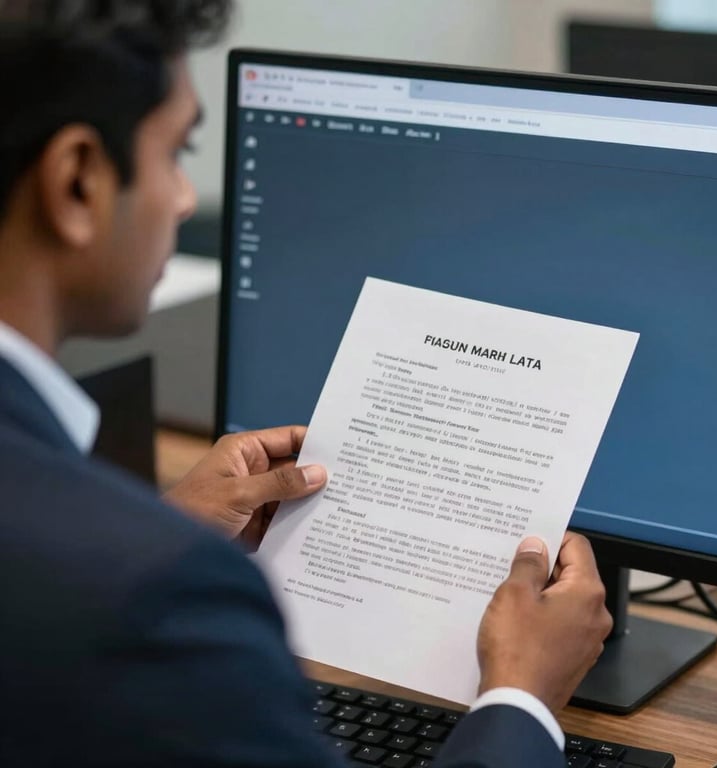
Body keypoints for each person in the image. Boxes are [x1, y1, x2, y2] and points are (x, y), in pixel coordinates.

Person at [0, 2, 612, 766]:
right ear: (78, 180)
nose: (186, 200)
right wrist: (522, 698)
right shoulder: (160, 598)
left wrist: (160, 532)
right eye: (176, 154)